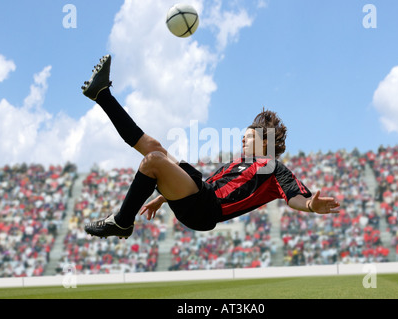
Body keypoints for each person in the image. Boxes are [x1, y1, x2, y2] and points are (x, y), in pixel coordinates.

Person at [81, 55, 341, 239]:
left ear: (265, 141)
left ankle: (123, 222)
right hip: (201, 192)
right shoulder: (238, 163)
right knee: (154, 147)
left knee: (152, 161)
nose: (242, 140)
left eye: (248, 137)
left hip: (206, 209)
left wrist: (309, 206)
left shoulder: (273, 168)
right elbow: (211, 182)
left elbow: (294, 196)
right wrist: (161, 197)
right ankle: (102, 94)